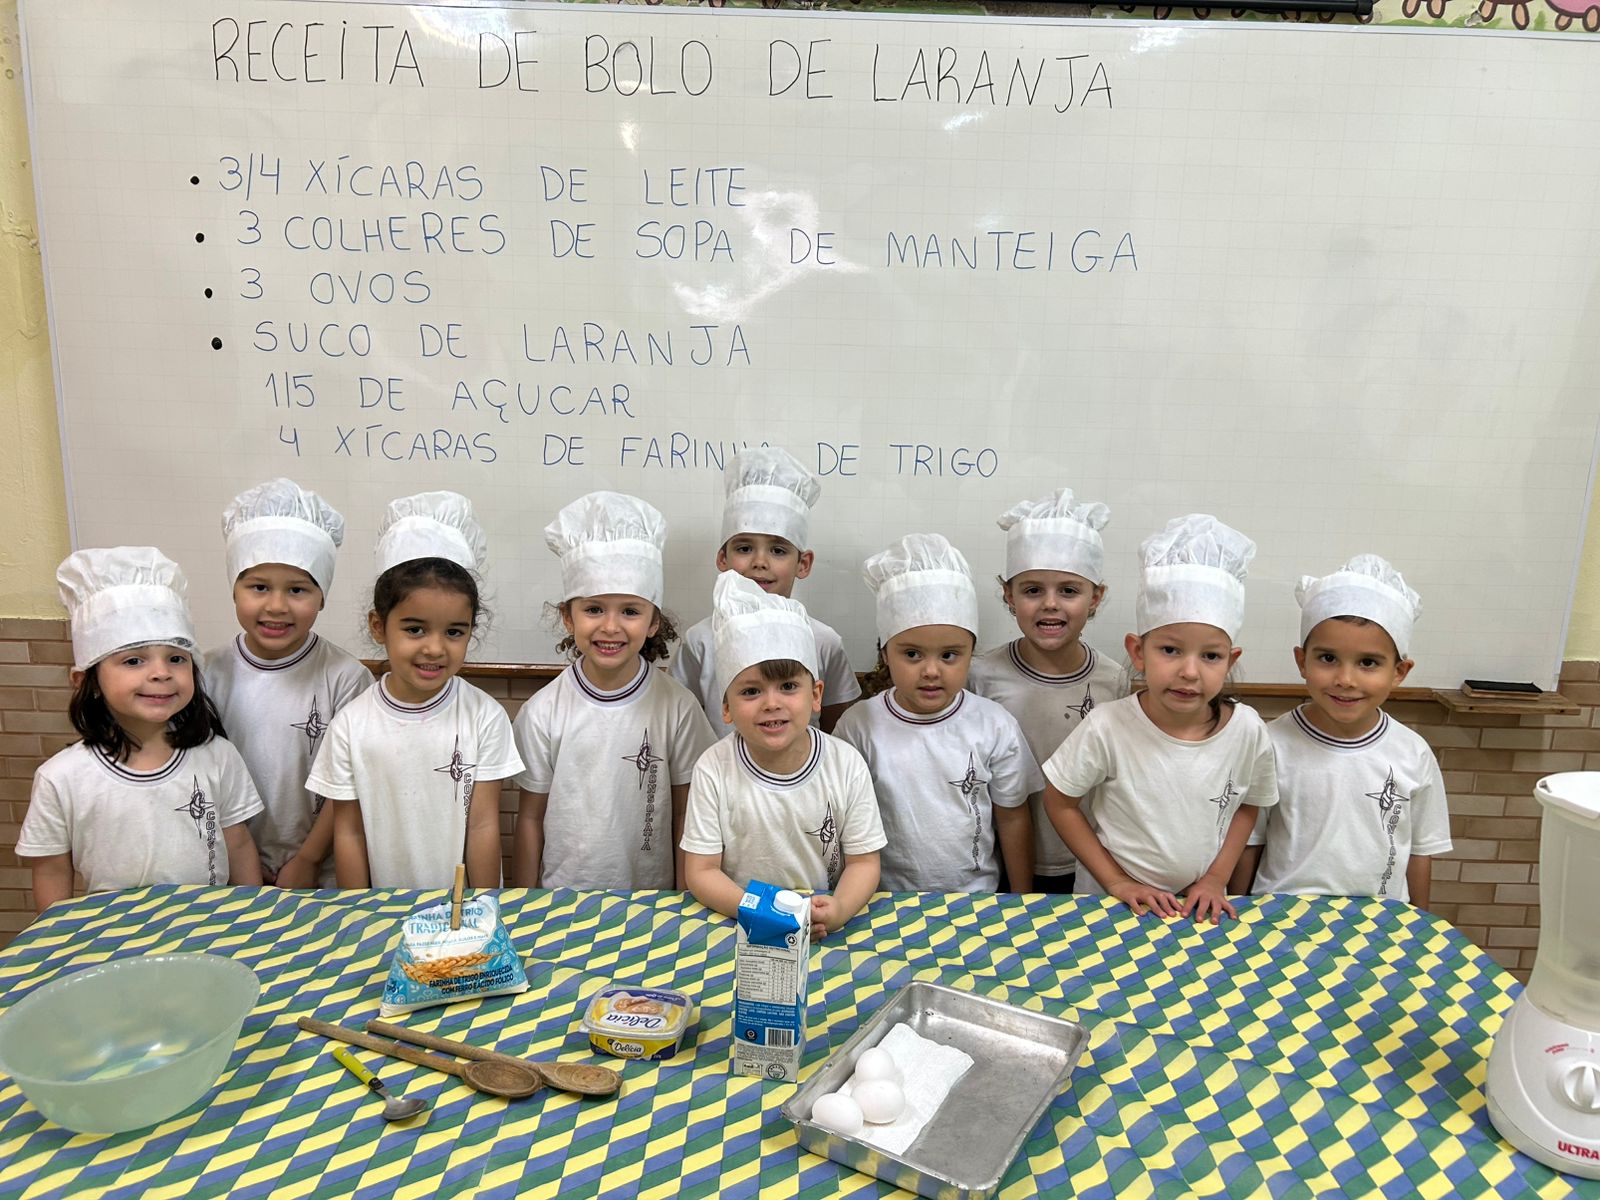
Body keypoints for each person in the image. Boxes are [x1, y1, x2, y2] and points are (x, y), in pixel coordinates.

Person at [1042, 514, 1278, 922]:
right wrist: (1117, 882)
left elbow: (1248, 805)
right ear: (1138, 652)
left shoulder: (1247, 730)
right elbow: (1059, 802)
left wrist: (1216, 878)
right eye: (1170, 650)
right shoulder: (1107, 726)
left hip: (1195, 909)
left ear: (1230, 660)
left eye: (1211, 655)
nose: (1189, 671)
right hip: (1111, 907)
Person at [19, 547, 263, 913]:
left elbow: (238, 843)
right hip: (110, 935)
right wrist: (59, 939)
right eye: (134, 660)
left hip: (209, 928)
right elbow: (52, 871)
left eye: (176, 658)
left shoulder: (218, 756)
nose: (161, 673)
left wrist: (253, 915)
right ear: (86, 681)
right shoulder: (61, 778)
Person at [308, 492, 521, 889]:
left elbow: (483, 825)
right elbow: (349, 833)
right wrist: (360, 910)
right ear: (378, 626)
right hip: (381, 909)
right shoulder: (351, 725)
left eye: (454, 632)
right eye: (415, 629)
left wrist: (485, 905)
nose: (435, 648)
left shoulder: (484, 716)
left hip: (461, 912)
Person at [512, 492, 716, 888]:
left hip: (652, 903)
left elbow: (684, 816)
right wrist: (522, 905)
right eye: (593, 609)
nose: (610, 626)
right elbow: (530, 818)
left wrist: (684, 901)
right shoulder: (543, 711)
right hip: (562, 901)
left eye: (630, 611)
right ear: (568, 617)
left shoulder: (677, 708)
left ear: (654, 622)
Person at [1232, 555, 1450, 906]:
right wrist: (1238, 913)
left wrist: (1419, 923)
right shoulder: (1270, 744)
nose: (1345, 680)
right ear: (1302, 661)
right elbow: (1251, 841)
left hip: (1380, 917)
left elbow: (1421, 850)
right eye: (1328, 658)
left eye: (1368, 662)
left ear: (1399, 671)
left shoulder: (1413, 752)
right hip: (1281, 913)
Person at [681, 572, 884, 940]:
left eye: (788, 686)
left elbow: (864, 862)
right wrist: (760, 913)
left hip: (823, 921)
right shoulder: (713, 768)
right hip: (739, 921)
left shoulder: (846, 764)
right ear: (726, 707)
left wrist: (839, 908)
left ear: (816, 695)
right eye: (751, 691)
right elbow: (701, 871)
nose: (771, 703)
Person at [835, 533, 1038, 892]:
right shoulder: (859, 725)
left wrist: (1022, 900)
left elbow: (1012, 817)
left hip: (975, 900)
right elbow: (843, 820)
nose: (931, 671)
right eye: (912, 654)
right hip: (883, 899)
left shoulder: (994, 725)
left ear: (971, 652)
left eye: (949, 655)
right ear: (885, 654)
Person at [205, 479, 372, 888]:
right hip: (229, 864)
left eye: (297, 589)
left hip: (323, 868)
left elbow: (351, 782)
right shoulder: (205, 674)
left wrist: (308, 859)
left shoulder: (346, 678)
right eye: (259, 587)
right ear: (234, 590)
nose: (276, 606)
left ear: (322, 596)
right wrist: (241, 858)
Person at [968, 488, 1129, 893]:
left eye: (1069, 590)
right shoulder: (981, 676)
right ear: (1009, 595)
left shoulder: (1112, 679)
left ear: (1096, 597)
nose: (1050, 604)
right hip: (1004, 859)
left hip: (1090, 860)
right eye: (1032, 590)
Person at [670, 446, 860, 732]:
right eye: (744, 548)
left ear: (803, 563)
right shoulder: (701, 641)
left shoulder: (824, 641)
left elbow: (837, 728)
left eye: (778, 550)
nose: (760, 562)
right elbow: (682, 722)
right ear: (723, 558)